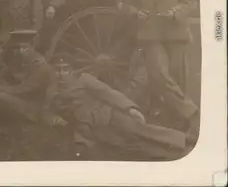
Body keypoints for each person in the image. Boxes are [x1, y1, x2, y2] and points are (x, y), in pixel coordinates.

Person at [46, 59, 198, 160]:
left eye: (65, 69)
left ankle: (183, 140)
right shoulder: (52, 91)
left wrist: (130, 108)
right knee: (132, 145)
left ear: (71, 71)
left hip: (111, 115)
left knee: (142, 131)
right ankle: (173, 154)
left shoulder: (84, 79)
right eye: (58, 70)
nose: (61, 74)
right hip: (95, 129)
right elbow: (47, 110)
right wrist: (53, 118)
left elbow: (108, 93)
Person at [123, 0, 199, 131]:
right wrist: (136, 12)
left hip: (176, 34)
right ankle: (191, 112)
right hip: (151, 35)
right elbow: (126, 4)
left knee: (177, 77)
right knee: (159, 75)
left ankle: (179, 120)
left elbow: (190, 1)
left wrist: (175, 12)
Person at [0, 30, 60, 124]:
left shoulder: (41, 67)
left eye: (25, 47)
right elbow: (7, 74)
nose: (21, 51)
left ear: (32, 46)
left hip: (32, 109)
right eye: (17, 48)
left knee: (0, 96)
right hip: (20, 97)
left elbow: (22, 90)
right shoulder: (20, 59)